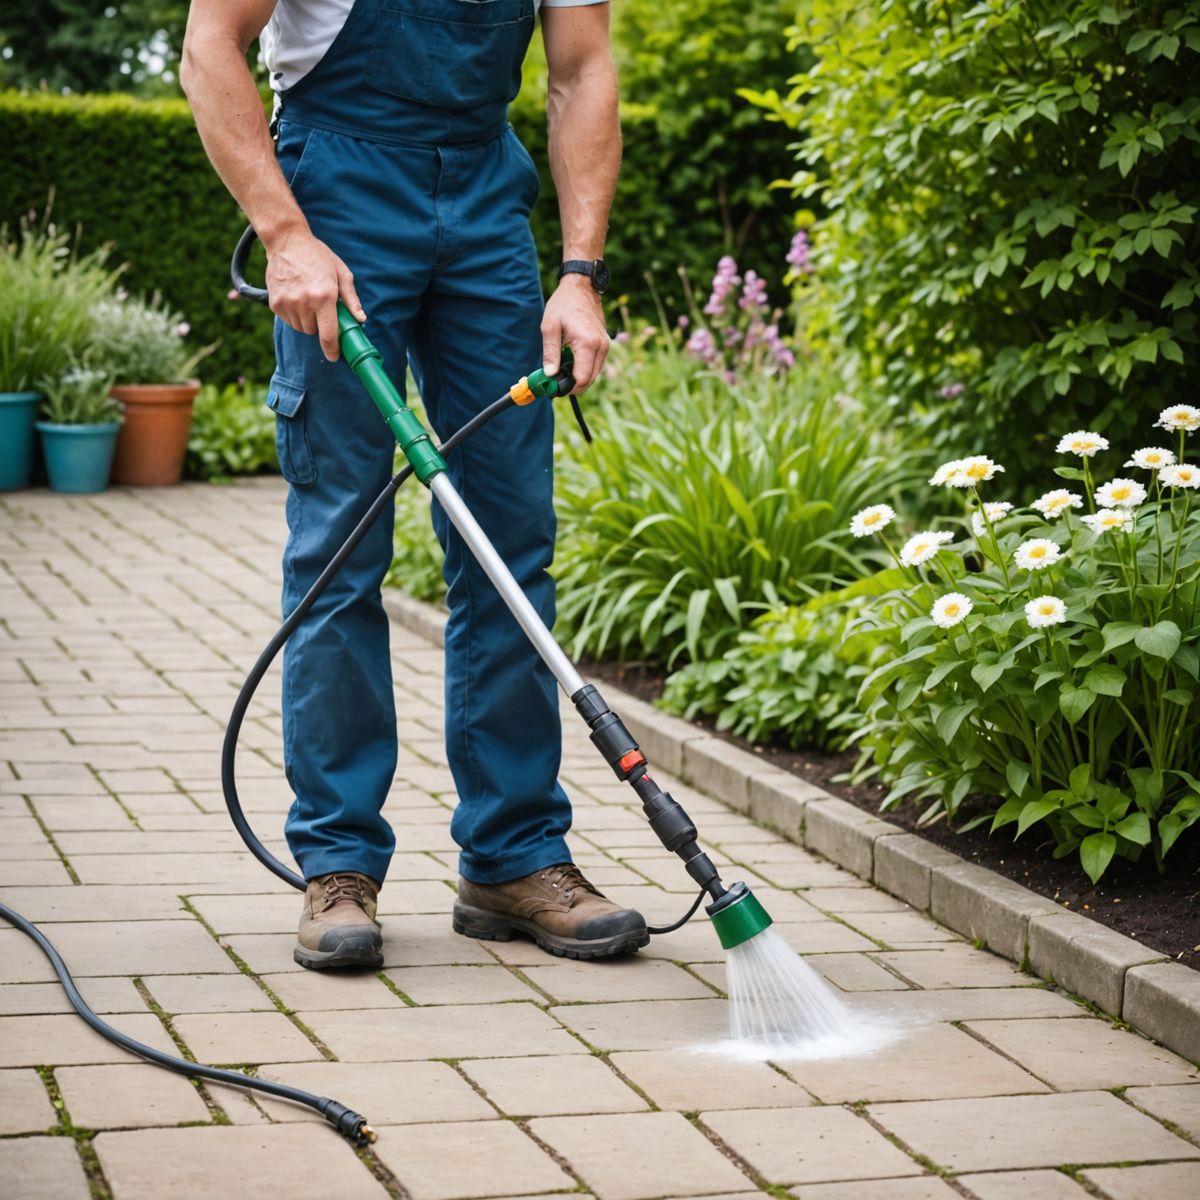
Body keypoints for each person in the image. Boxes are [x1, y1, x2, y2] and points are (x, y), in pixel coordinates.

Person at [181, 0, 647, 969]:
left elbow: (582, 67)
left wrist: (578, 272)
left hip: (485, 196)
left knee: (511, 539)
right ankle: (339, 864)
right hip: (339, 189)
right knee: (341, 542)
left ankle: (515, 855)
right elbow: (208, 46)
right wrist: (285, 236)